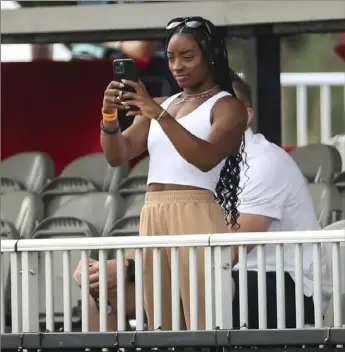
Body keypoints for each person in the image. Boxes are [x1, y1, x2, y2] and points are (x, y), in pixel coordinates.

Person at [77, 16, 248, 331]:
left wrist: (158, 113)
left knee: (202, 319)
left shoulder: (227, 106)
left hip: (196, 211)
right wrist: (109, 115)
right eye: (171, 57)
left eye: (187, 56)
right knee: (161, 320)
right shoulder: (164, 104)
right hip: (153, 213)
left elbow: (206, 157)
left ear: (210, 57)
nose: (177, 66)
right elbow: (118, 154)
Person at [227, 73, 332, 328]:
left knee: (200, 286)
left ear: (247, 116)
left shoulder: (264, 161)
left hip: (293, 288)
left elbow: (231, 249)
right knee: (119, 287)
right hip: (242, 279)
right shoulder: (202, 165)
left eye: (223, 107)